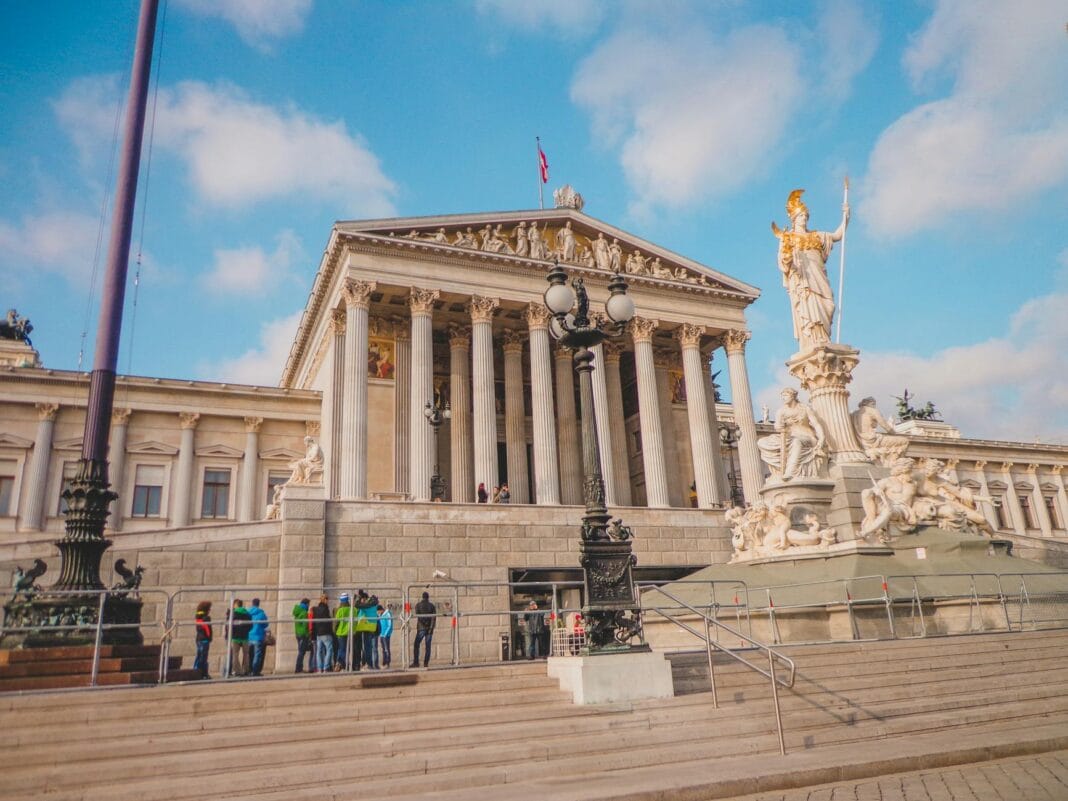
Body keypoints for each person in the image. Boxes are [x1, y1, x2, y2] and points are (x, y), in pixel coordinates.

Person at [771, 188, 849, 352]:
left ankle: (823, 337)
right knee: (810, 308)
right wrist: (788, 258)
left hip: (819, 275)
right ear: (794, 219)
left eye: (805, 216)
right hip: (803, 279)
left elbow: (837, 235)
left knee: (829, 305)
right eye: (800, 217)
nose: (804, 219)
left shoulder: (817, 235)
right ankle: (813, 340)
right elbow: (783, 261)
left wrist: (846, 217)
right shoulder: (788, 238)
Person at [757, 388, 826, 481]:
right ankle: (779, 469)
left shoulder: (805, 408)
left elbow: (816, 424)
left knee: (796, 441)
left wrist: (822, 438)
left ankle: (791, 471)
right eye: (782, 396)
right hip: (788, 437)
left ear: (793, 396)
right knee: (761, 442)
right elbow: (777, 427)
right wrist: (785, 424)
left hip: (807, 437)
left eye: (785, 395)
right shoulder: (781, 411)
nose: (783, 398)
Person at [355, 589, 380, 670]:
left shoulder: (368, 605)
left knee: (365, 647)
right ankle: (368, 664)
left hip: (364, 627)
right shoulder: (374, 605)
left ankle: (366, 664)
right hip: (370, 628)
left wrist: (359, 597)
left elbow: (357, 605)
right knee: (368, 647)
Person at [410, 591, 436, 668]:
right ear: (428, 597)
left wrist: (423, 623)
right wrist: (431, 627)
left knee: (416, 644)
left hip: (421, 627)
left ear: (422, 597)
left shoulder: (418, 605)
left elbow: (418, 615)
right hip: (429, 628)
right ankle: (426, 663)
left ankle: (416, 662)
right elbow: (434, 618)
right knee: (428, 646)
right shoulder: (432, 606)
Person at [226, 599, 251, 678]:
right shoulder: (247, 614)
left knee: (235, 655)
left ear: (235, 605)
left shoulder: (233, 614)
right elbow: (250, 625)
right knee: (246, 655)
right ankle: (246, 670)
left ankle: (238, 671)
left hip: (235, 637)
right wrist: (245, 631)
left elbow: (229, 626)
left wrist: (229, 635)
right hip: (245, 637)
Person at [311, 593, 334, 674]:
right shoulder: (326, 609)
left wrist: (313, 635)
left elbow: (313, 623)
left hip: (318, 634)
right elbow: (328, 623)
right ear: (326, 600)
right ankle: (326, 667)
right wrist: (332, 633)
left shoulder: (315, 609)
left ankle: (319, 669)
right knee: (329, 649)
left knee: (319, 651)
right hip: (326, 633)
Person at [246, 598, 270, 677]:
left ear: (252, 603)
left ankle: (249, 670)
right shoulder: (261, 614)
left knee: (250, 654)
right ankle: (255, 671)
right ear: (258, 604)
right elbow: (266, 625)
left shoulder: (247, 613)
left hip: (249, 636)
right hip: (258, 636)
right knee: (257, 655)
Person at [334, 593, 354, 670]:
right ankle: (344, 665)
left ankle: (340, 663)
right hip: (350, 632)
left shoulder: (340, 610)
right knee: (347, 650)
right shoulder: (352, 609)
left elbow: (336, 622)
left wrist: (335, 630)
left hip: (340, 632)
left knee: (341, 649)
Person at [193, 600, 212, 679]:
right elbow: (207, 629)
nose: (210, 610)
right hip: (204, 640)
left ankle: (196, 671)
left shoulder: (198, 617)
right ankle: (203, 673)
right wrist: (209, 637)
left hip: (199, 639)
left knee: (199, 656)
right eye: (209, 609)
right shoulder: (206, 618)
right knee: (203, 657)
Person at [292, 597, 311, 673]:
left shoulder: (298, 611)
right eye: (308, 604)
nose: (309, 606)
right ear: (306, 604)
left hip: (298, 634)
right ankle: (298, 669)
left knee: (301, 651)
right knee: (301, 652)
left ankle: (299, 668)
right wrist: (307, 635)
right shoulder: (304, 612)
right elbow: (305, 625)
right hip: (303, 635)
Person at [377, 604, 393, 668]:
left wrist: (386, 634)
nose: (378, 613)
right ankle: (384, 663)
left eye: (378, 611)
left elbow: (389, 625)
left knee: (386, 649)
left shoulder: (387, 614)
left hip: (386, 635)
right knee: (383, 649)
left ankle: (387, 662)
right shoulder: (380, 615)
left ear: (381, 610)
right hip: (381, 634)